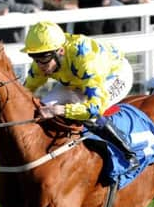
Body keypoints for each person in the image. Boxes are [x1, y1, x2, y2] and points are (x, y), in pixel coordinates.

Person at [22, 21, 139, 168]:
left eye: (44, 59)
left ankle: (128, 152)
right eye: (34, 58)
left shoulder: (85, 60)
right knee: (43, 107)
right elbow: (25, 92)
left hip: (114, 76)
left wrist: (60, 110)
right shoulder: (43, 60)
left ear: (60, 52)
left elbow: (94, 108)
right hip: (76, 81)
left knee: (89, 115)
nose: (39, 65)